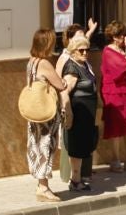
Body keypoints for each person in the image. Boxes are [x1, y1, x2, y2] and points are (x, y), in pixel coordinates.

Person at [25, 28, 75, 203]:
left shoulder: (31, 61)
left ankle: (41, 185)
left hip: (35, 113)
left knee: (36, 147)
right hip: (46, 115)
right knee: (46, 147)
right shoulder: (44, 64)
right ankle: (43, 188)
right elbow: (60, 85)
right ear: (47, 44)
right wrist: (66, 81)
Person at [97, 21, 126, 173]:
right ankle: (115, 160)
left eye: (124, 34)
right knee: (115, 126)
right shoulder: (108, 52)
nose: (124, 38)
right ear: (114, 37)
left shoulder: (123, 50)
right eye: (121, 35)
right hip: (114, 92)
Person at [60, 31, 100, 193]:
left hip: (87, 113)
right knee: (76, 148)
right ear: (73, 51)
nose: (85, 53)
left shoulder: (84, 65)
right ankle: (75, 181)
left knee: (83, 146)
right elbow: (65, 91)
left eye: (86, 50)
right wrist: (68, 112)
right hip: (78, 114)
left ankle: (78, 179)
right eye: (80, 50)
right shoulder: (72, 67)